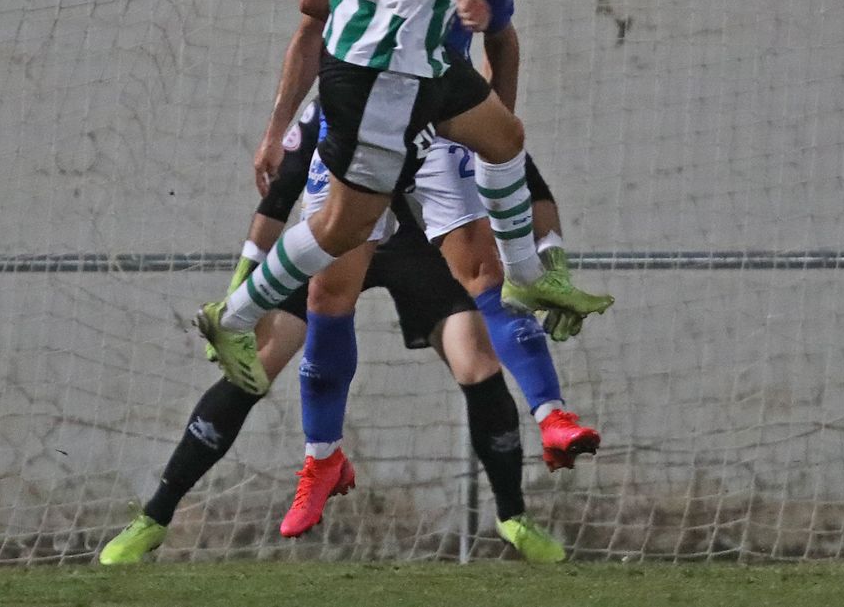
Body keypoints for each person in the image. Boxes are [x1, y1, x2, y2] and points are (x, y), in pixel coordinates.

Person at [193, 0, 608, 399]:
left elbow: (311, 0)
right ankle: (234, 317)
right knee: (343, 228)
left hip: (421, 61)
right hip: (382, 71)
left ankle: (527, 276)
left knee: (503, 136)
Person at [99, 102, 564, 563]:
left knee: (476, 361)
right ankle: (155, 516)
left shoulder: (447, 91)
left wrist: (550, 262)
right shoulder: (336, 98)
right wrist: (241, 292)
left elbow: (531, 185)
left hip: (420, 247)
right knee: (255, 364)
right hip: (341, 238)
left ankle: (513, 516)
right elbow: (279, 198)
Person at [414, 0, 607, 474]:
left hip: (434, 124)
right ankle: (320, 455)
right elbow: (311, 21)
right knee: (322, 290)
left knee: (487, 287)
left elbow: (503, 41)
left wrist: (552, 259)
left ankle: (550, 417)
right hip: (358, 122)